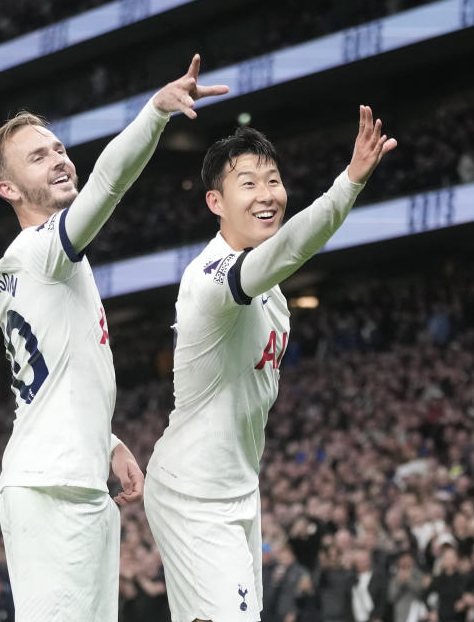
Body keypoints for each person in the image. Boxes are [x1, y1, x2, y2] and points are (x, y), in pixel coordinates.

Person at [0, 54, 228, 620]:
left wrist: (107, 441)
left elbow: (55, 376)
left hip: (74, 476)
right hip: (49, 487)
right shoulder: (39, 249)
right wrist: (155, 112)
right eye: (37, 157)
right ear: (8, 189)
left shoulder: (49, 261)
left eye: (59, 148)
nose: (60, 160)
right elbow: (109, 184)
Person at [144, 106, 397, 622]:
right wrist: (347, 184)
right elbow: (286, 250)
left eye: (274, 180)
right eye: (248, 183)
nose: (267, 194)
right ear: (216, 201)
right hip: (194, 490)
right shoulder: (210, 277)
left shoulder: (273, 293)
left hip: (238, 488)